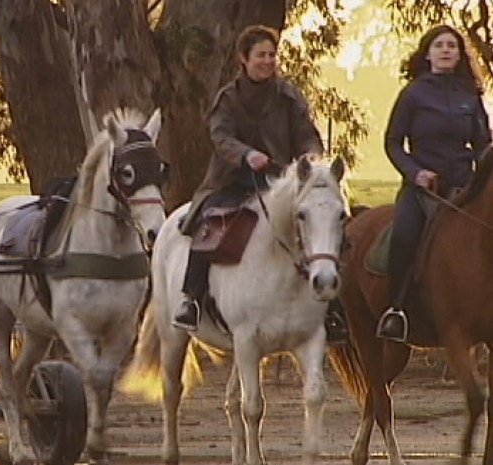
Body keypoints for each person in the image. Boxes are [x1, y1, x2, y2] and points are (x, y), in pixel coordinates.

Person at [174, 24, 349, 344]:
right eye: (261, 55)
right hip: (231, 182)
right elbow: (221, 136)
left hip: (283, 184)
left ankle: (333, 309)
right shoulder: (228, 98)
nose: (268, 61)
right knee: (205, 222)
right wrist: (246, 155)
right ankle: (192, 300)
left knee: (327, 225)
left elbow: (306, 132)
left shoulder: (288, 95)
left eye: (272, 55)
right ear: (244, 58)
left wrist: (311, 154)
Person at [377, 25, 492, 342]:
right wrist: (416, 173)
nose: (445, 50)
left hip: (465, 186)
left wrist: (482, 166)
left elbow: (484, 143)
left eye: (452, 46)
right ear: (427, 53)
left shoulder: (471, 96)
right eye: (439, 45)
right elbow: (393, 143)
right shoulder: (413, 94)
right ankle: (395, 310)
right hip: (423, 189)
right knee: (403, 236)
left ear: (459, 55)